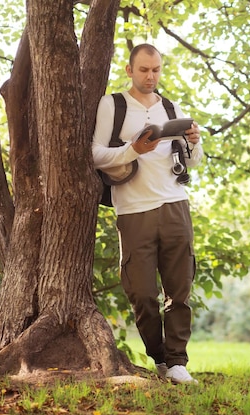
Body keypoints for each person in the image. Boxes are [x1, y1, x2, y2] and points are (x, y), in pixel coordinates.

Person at [92, 44, 203, 384]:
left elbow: (193, 162)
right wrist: (132, 150)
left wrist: (195, 143)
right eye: (143, 70)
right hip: (134, 209)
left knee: (179, 288)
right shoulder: (114, 104)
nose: (150, 76)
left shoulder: (171, 107)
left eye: (155, 69)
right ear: (129, 70)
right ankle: (159, 358)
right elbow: (95, 154)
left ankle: (178, 362)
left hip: (174, 205)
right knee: (141, 292)